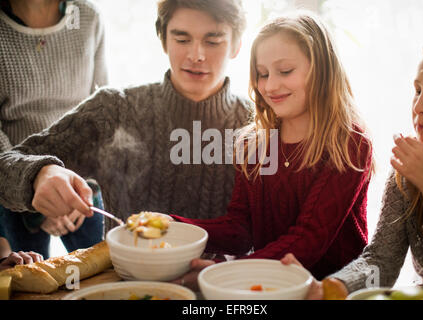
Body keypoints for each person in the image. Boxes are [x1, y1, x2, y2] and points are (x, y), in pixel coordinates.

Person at [0, 0, 252, 234]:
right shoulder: (114, 110)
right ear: (164, 41)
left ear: (236, 46)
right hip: (126, 281)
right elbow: (6, 165)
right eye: (182, 39)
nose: (196, 55)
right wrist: (38, 174)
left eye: (213, 41)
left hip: (226, 281)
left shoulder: (259, 124)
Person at [171, 12, 374, 290]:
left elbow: (307, 240)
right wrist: (175, 226)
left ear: (322, 70)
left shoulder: (349, 143)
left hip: (334, 292)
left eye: (285, 71)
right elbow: (240, 229)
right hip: (271, 287)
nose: (270, 86)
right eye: (262, 74)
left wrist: (225, 271)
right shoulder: (253, 144)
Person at [281, 36, 423, 299]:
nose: (418, 107)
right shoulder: (410, 169)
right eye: (417, 90)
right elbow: (381, 260)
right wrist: (333, 287)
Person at [0, 0, 108, 258]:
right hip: (14, 186)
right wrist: (32, 192)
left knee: (105, 272)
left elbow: (102, 105)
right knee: (28, 283)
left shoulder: (88, 16)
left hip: (82, 184)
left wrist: (84, 184)